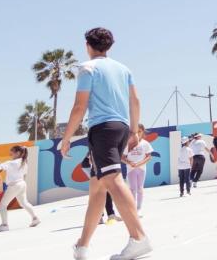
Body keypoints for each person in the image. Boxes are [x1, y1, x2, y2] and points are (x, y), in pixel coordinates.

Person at [59, 27, 151, 260]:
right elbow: (136, 100)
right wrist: (133, 130)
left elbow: (80, 107)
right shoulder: (123, 68)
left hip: (103, 129)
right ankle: (82, 247)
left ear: (88, 45)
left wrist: (67, 137)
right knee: (97, 188)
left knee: (112, 179)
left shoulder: (87, 68)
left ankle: (139, 238)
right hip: (120, 128)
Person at [0, 145, 40, 231]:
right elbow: (24, 175)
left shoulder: (11, 163)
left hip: (14, 185)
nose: (10, 155)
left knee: (2, 205)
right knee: (24, 203)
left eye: (11, 153)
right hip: (22, 183)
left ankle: (4, 225)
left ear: (18, 153)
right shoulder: (24, 162)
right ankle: (35, 218)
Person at [124, 125, 153, 211]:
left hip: (141, 169)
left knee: (140, 188)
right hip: (131, 169)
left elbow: (149, 157)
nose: (137, 133)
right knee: (132, 189)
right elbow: (122, 157)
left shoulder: (145, 143)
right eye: (135, 132)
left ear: (143, 132)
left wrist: (139, 164)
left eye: (139, 131)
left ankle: (139, 208)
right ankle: (133, 208)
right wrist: (129, 163)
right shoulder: (128, 143)